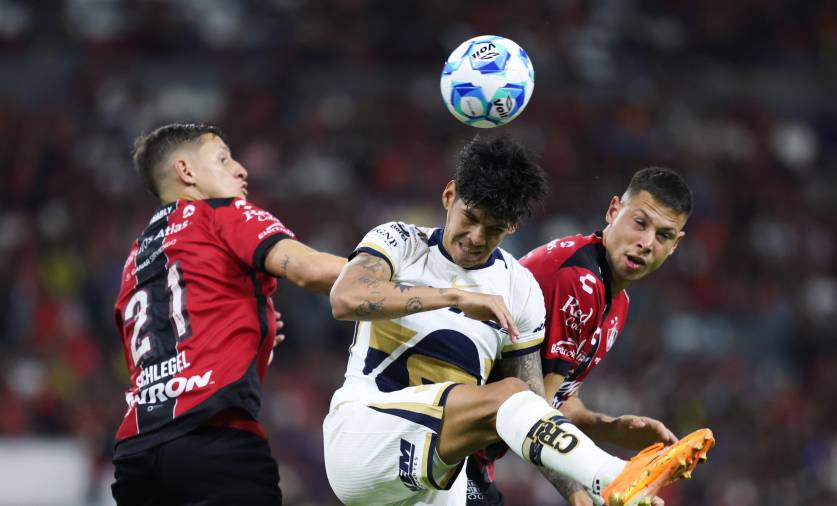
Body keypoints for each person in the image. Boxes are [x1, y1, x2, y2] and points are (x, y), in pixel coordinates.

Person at [323, 137, 713, 506]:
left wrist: (578, 485)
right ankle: (614, 475)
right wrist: (453, 297)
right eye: (470, 217)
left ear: (512, 226)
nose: (476, 237)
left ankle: (612, 484)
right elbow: (346, 298)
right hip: (364, 437)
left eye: (493, 228)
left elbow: (535, 406)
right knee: (509, 393)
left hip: (437, 473)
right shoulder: (400, 241)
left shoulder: (519, 288)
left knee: (518, 397)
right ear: (449, 196)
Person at [110, 122, 346, 505]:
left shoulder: (134, 261)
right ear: (186, 171)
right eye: (223, 159)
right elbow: (311, 269)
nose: (240, 169)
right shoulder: (221, 214)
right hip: (213, 439)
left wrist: (252, 333)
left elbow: (169, 347)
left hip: (136, 457)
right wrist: (406, 270)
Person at [466, 167, 705, 506]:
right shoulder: (579, 281)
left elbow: (559, 401)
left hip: (474, 453)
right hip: (448, 437)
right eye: (640, 223)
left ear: (675, 245)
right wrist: (579, 493)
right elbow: (533, 413)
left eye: (663, 235)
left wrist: (612, 428)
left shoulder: (617, 301)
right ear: (613, 211)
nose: (647, 243)